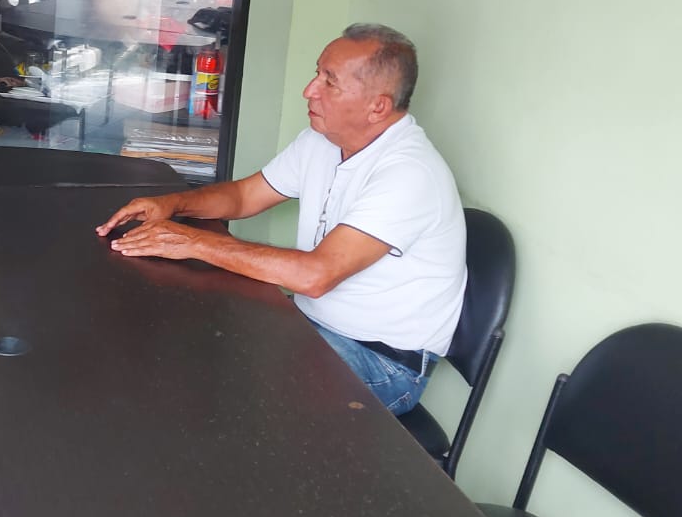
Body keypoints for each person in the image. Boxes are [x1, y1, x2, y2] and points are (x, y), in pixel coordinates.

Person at [96, 23, 466, 415]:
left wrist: (192, 242)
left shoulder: (409, 173)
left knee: (226, 389)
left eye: (330, 82)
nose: (310, 90)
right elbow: (244, 196)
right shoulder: (322, 140)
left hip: (381, 361)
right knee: (191, 335)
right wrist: (173, 204)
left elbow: (315, 276)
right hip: (309, 322)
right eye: (317, 73)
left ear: (378, 106)